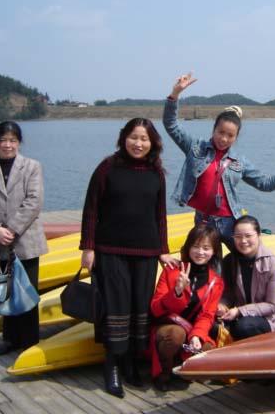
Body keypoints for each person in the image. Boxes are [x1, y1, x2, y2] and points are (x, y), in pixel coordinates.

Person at [79, 118, 177, 398]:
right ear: (124, 138)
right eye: (134, 137)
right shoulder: (107, 168)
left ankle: (131, 362)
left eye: (144, 139)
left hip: (146, 253)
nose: (138, 143)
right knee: (115, 308)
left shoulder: (156, 173)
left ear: (152, 143)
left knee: (139, 309)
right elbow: (91, 209)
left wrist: (163, 249)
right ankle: (111, 365)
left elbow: (160, 215)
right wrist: (88, 247)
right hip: (111, 251)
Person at [163, 72, 275, 248]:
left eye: (230, 135)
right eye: (221, 132)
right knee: (202, 262)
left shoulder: (239, 162)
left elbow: (266, 184)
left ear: (236, 137)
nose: (224, 139)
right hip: (203, 221)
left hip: (231, 223)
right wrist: (175, 94)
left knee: (245, 260)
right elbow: (171, 124)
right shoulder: (196, 148)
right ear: (213, 130)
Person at [0, 121, 47, 355]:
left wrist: (12, 229)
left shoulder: (32, 167)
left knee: (27, 290)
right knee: (4, 290)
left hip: (26, 240)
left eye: (12, 140)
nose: (7, 145)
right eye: (3, 140)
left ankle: (29, 341)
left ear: (19, 142)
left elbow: (34, 201)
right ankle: (9, 339)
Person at [149, 224, 224, 392]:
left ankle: (182, 366)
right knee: (176, 334)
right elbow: (155, 309)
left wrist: (197, 336)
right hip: (167, 327)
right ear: (188, 247)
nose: (200, 252)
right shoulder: (171, 271)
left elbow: (207, 316)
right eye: (196, 246)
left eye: (206, 248)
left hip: (192, 329)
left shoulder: (216, 282)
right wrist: (177, 291)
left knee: (207, 349)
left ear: (214, 252)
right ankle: (164, 372)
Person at [217, 215, 275, 340]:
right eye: (238, 236)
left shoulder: (273, 263)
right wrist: (222, 306)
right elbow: (228, 294)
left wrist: (240, 311)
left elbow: (272, 305)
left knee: (243, 327)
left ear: (259, 235)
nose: (243, 241)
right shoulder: (229, 261)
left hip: (269, 318)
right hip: (238, 314)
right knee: (211, 323)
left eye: (248, 236)